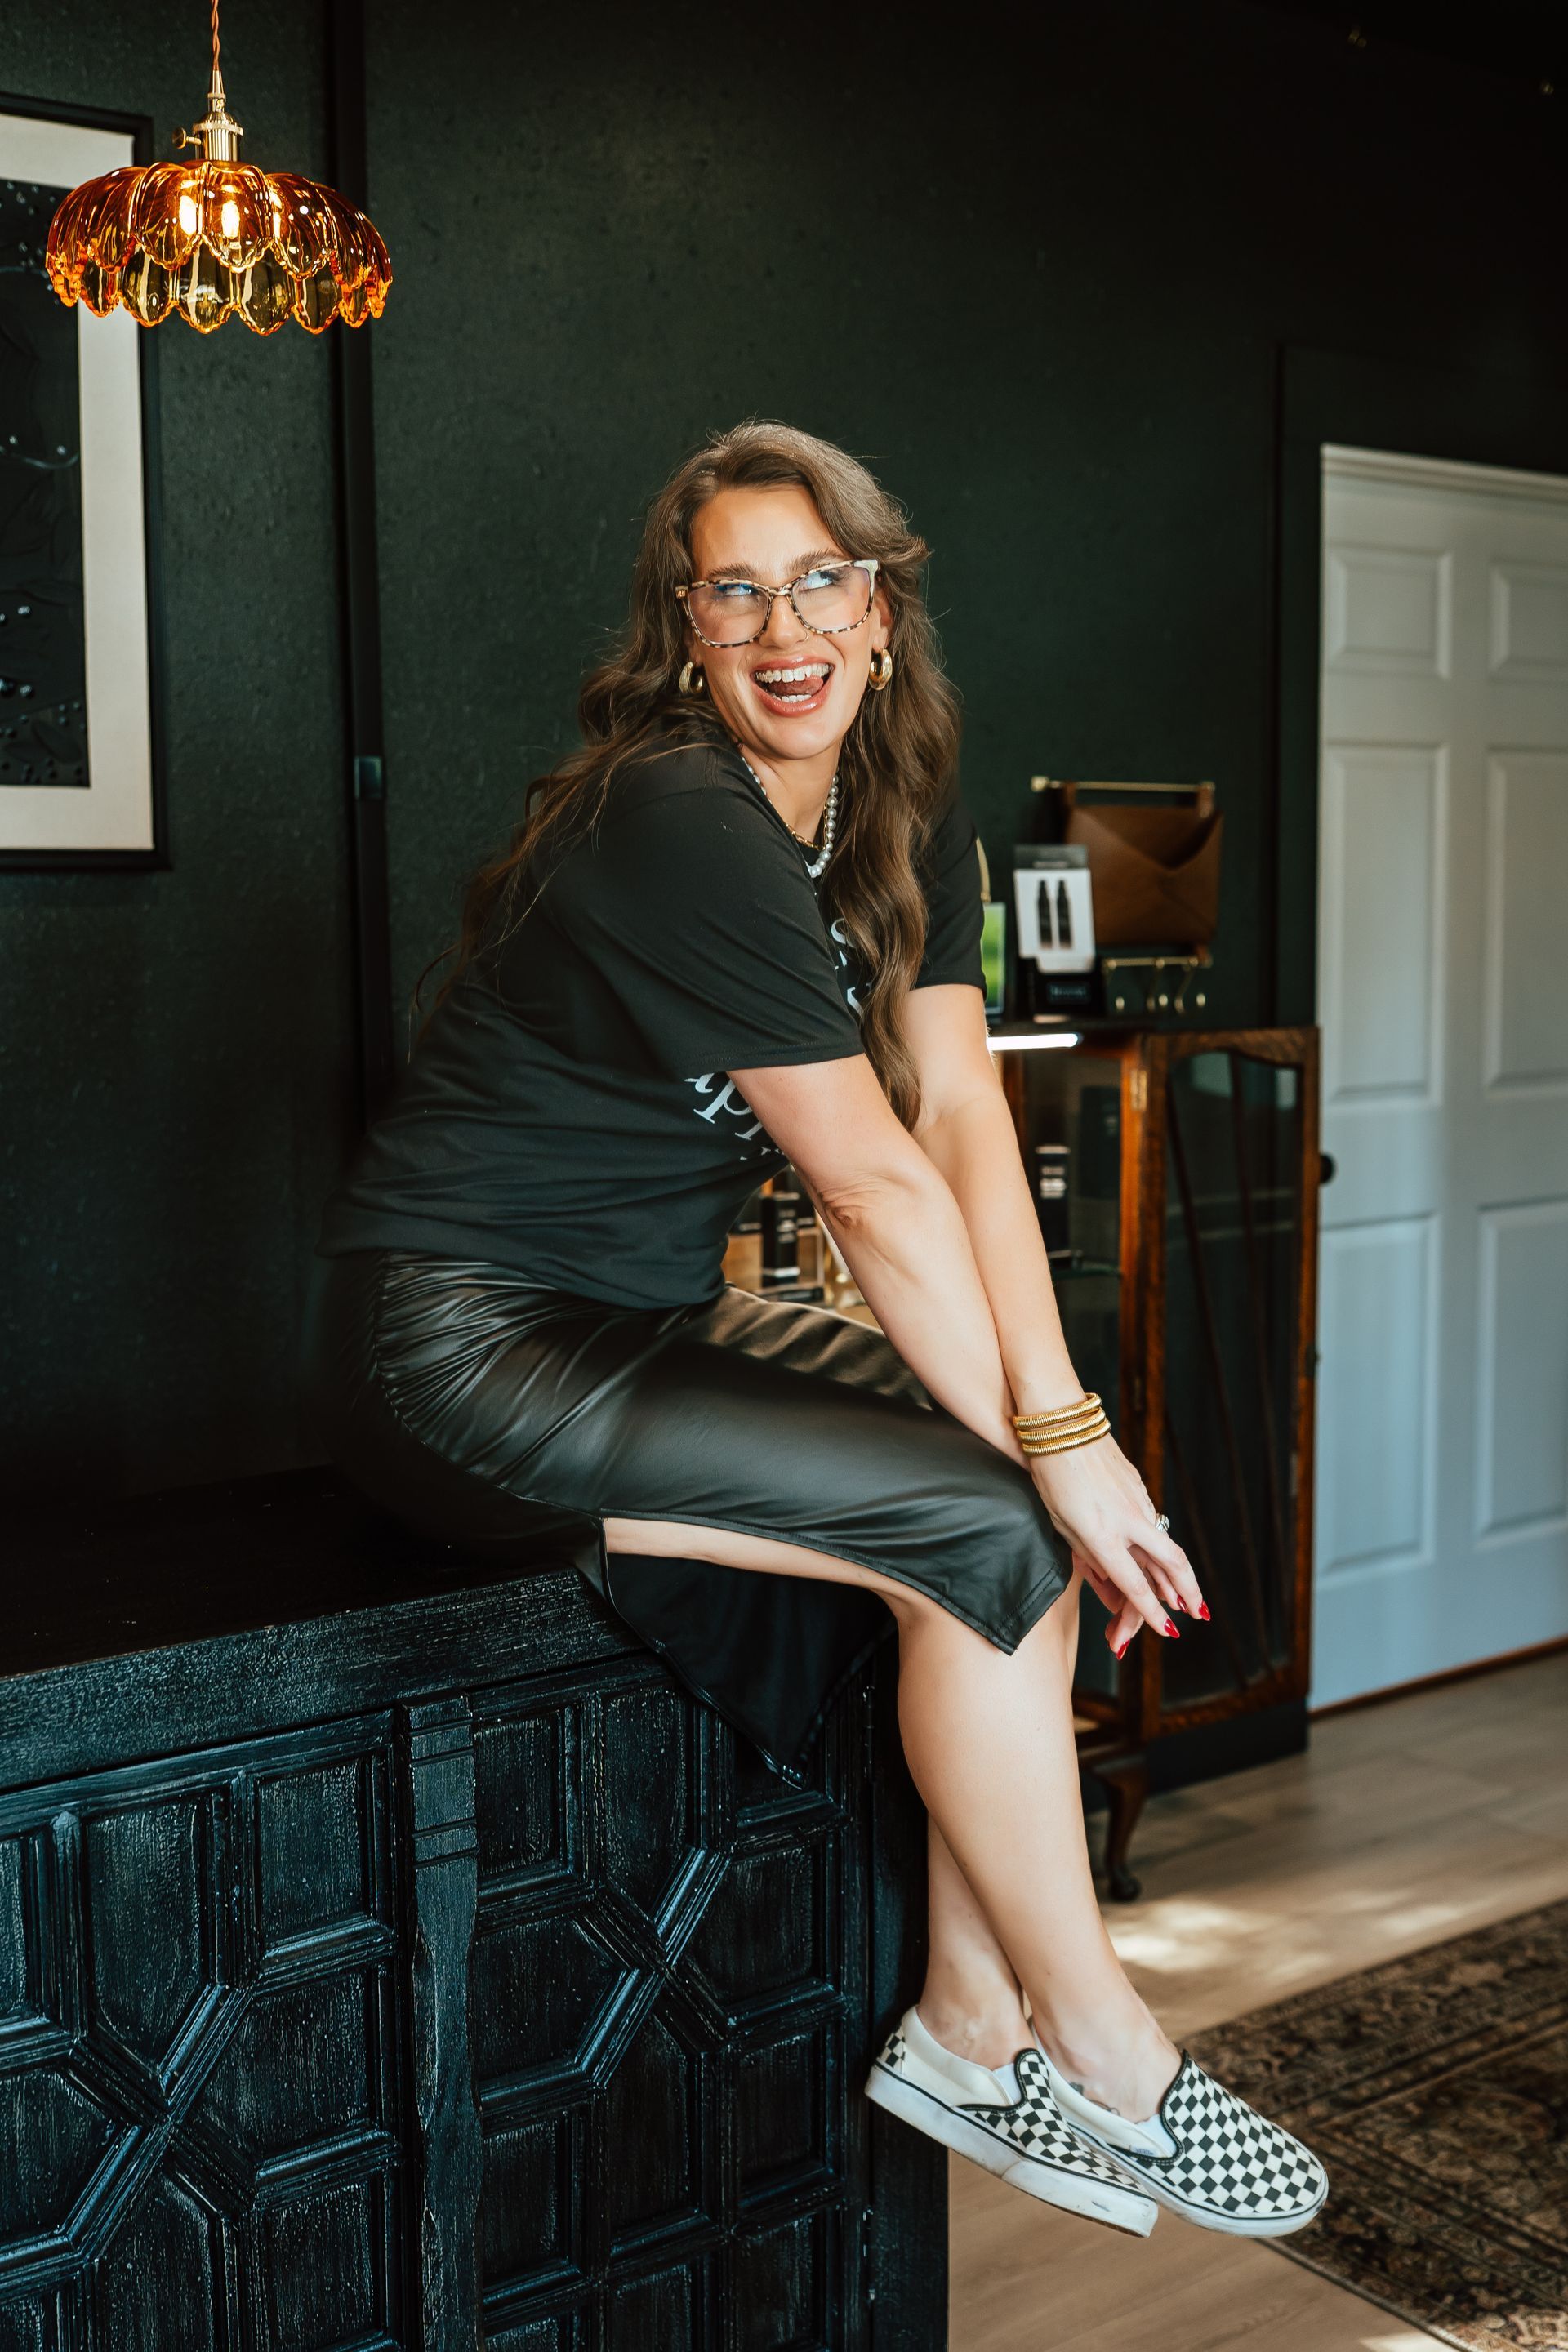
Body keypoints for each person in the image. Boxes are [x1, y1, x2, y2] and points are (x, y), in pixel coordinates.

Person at [303, 421, 1326, 2242]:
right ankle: (1105, 2053)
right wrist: (1058, 1456)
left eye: (821, 579)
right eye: (736, 590)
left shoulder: (886, 805)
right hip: (460, 1350)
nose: (785, 625)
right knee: (999, 1519)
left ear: (879, 602)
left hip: (639, 1319)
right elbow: (866, 1191)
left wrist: (1060, 1433)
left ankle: (965, 2015)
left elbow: (956, 1128)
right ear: (683, 631)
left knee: (1013, 1510)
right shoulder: (672, 810)